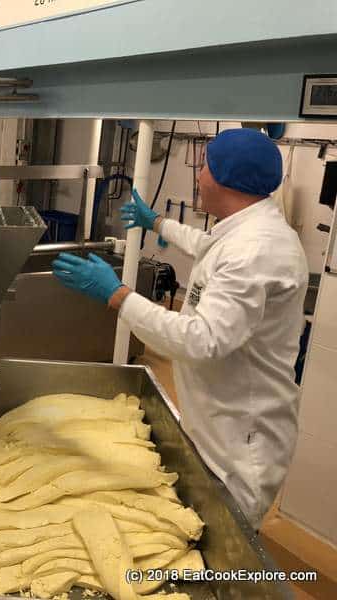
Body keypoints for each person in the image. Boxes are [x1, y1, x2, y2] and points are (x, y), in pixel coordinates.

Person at [52, 128, 308, 529]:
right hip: (215, 416)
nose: (199, 174)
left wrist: (117, 295)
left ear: (226, 178)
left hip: (239, 442)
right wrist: (156, 222)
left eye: (205, 165)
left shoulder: (255, 251)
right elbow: (204, 245)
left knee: (225, 541)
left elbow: (200, 341)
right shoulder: (246, 228)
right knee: (196, 523)